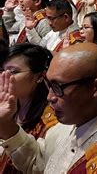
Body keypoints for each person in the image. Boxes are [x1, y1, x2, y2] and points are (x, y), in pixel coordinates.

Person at [0, 43, 97, 173]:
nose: (50, 97)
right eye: (49, 85)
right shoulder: (68, 123)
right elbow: (37, 164)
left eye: (58, 87)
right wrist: (7, 124)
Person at [0, 44, 57, 173]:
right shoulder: (5, 104)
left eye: (13, 72)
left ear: (40, 76)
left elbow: (40, 168)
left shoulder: (52, 120)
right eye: (2, 71)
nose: (5, 77)